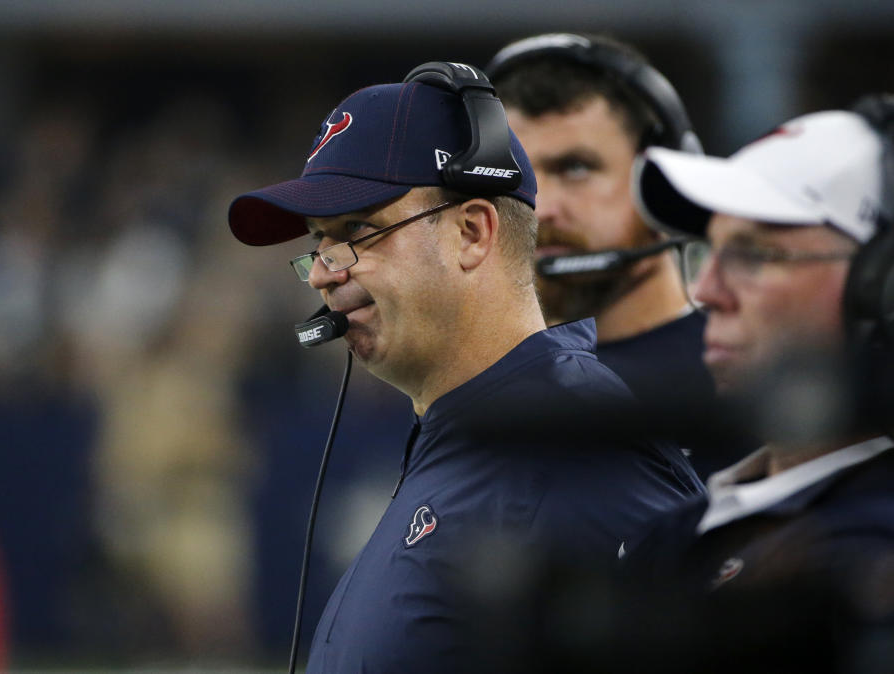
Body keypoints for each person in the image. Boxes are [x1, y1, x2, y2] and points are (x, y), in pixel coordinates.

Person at [227, 62, 702, 673]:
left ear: (472, 233)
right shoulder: (473, 427)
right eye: (318, 242)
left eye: (358, 230)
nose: (323, 272)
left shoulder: (572, 440)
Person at [618, 95, 894, 670]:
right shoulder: (680, 531)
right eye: (709, 251)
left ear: (882, 288)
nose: (707, 292)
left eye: (756, 255)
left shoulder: (868, 560)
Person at [486, 33, 747, 477]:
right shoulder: (475, 385)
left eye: (576, 168)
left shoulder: (742, 379)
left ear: (662, 185)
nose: (542, 207)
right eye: (518, 175)